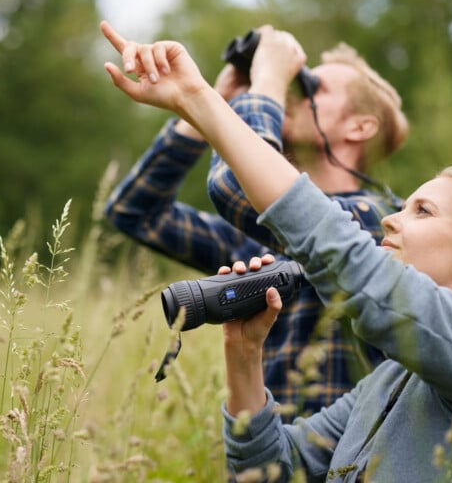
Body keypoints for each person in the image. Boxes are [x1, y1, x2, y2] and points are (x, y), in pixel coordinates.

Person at [99, 20, 452, 481]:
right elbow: (270, 472)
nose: (392, 219)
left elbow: (339, 253)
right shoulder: (385, 386)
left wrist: (226, 93)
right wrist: (244, 356)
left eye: (421, 211)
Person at [104, 24, 409, 417]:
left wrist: (262, 80)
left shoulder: (388, 224)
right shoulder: (258, 244)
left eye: (314, 88)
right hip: (271, 455)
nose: (294, 93)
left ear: (361, 127)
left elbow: (238, 188)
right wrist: (208, 103)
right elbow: (135, 210)